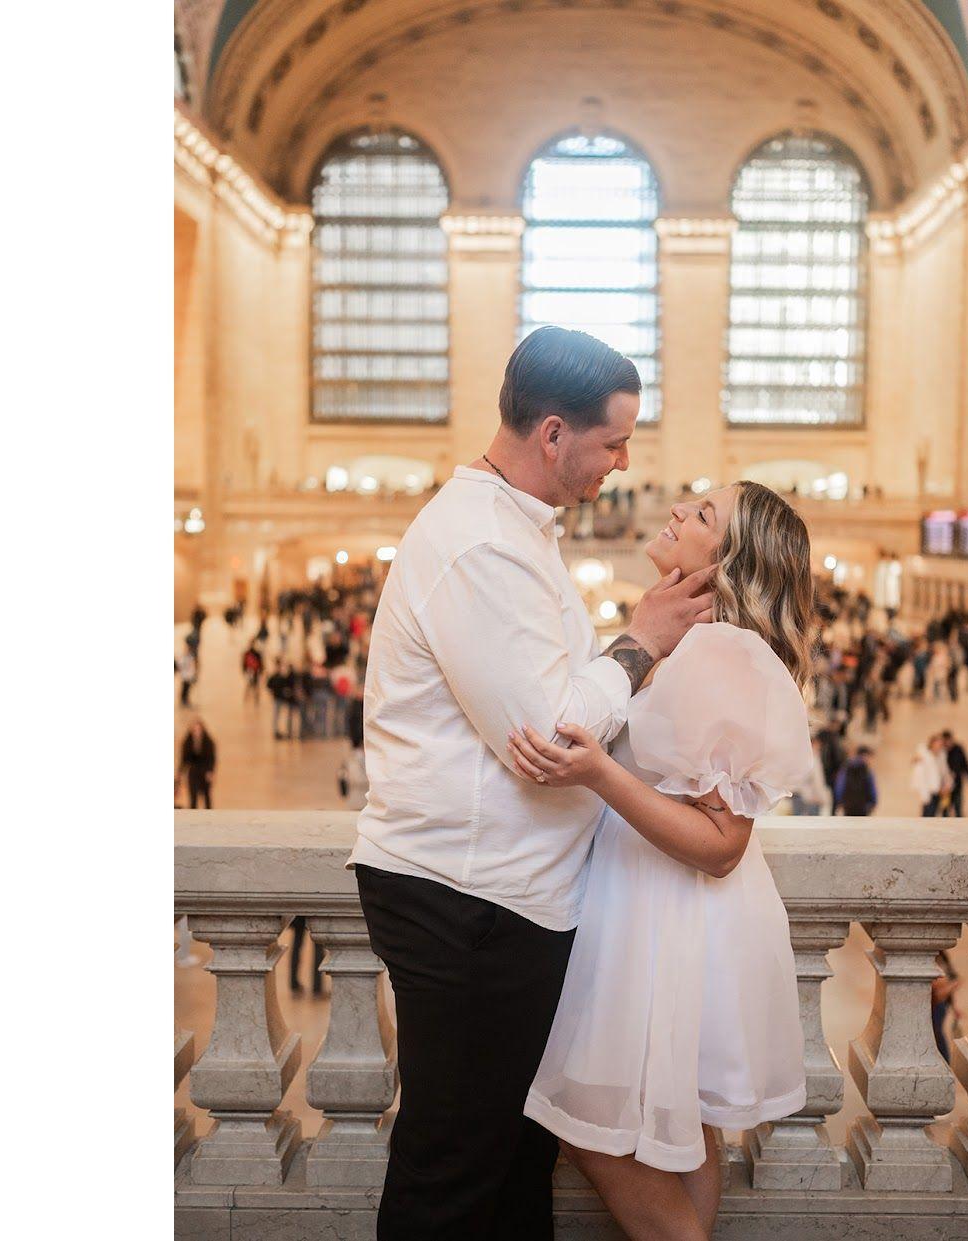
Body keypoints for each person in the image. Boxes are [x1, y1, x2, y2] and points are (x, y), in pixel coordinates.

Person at [349, 327, 714, 1240]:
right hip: (466, 896)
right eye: (613, 442)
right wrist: (641, 641)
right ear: (553, 434)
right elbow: (547, 735)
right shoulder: (478, 541)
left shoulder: (513, 528)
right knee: (455, 1167)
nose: (622, 464)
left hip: (505, 896)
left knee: (513, 1164)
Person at [513, 480, 816, 1239]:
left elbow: (720, 844)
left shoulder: (720, 653)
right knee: (688, 1132)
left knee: (587, 1125)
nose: (677, 511)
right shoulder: (694, 645)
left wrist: (597, 772)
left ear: (728, 566)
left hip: (668, 920)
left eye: (702, 514)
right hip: (658, 910)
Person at [177, 717, 216, 809]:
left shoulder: (208, 742)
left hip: (205, 770)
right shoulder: (187, 742)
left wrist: (210, 771)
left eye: (198, 730)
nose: (197, 732)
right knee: (193, 795)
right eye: (195, 730)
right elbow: (184, 759)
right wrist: (180, 772)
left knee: (206, 795)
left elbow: (211, 758)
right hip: (193, 771)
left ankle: (209, 815)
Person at [790, 734, 830, 815]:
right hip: (810, 798)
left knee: (797, 823)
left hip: (796, 795)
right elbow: (817, 780)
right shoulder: (813, 759)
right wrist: (822, 798)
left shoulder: (797, 757)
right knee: (811, 824)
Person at [834, 746, 878, 816]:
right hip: (863, 808)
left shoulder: (846, 767)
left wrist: (841, 802)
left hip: (847, 807)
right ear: (865, 755)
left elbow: (839, 787)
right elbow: (873, 790)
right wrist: (872, 804)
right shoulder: (867, 771)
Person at [911, 735, 947, 817]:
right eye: (937, 743)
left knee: (935, 813)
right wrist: (924, 793)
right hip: (928, 791)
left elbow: (944, 772)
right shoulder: (924, 755)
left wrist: (945, 785)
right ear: (932, 744)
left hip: (938, 790)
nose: (939, 746)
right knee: (927, 814)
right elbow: (919, 773)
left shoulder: (942, 756)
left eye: (941, 744)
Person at [941, 729, 968, 817]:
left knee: (958, 807)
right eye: (945, 740)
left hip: (957, 783)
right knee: (945, 808)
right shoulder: (941, 751)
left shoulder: (958, 748)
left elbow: (965, 764)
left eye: (948, 740)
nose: (947, 742)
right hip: (945, 786)